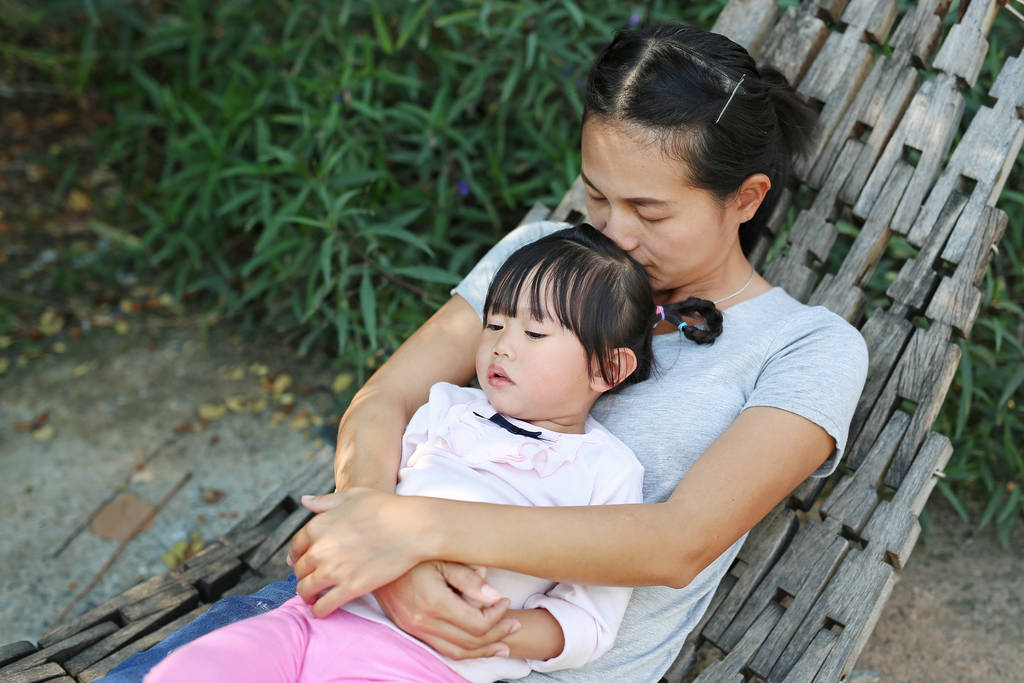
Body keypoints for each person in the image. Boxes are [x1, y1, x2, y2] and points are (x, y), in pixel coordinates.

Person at [103, 22, 868, 683]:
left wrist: (416, 531)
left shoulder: (807, 349)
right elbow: (386, 399)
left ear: (746, 197)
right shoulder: (545, 256)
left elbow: (676, 541)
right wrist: (382, 545)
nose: (612, 231)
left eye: (650, 211)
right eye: (597, 195)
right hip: (343, 612)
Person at [143, 225, 719, 683]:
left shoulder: (604, 472)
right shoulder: (447, 407)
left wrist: (499, 630)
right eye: (494, 323)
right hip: (314, 614)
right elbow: (372, 493)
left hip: (420, 664)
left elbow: (589, 620)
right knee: (200, 667)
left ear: (608, 368)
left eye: (535, 335)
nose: (502, 346)